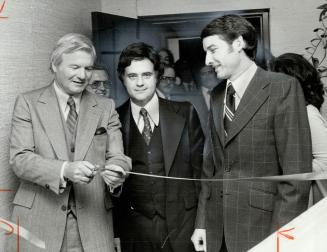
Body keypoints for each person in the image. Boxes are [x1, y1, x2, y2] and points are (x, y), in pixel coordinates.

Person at [191, 15, 312, 252]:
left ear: (238, 43)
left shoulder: (282, 87)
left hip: (264, 231)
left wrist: (280, 241)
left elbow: (296, 177)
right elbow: (211, 168)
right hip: (218, 232)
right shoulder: (216, 96)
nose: (208, 60)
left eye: (213, 49)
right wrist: (202, 224)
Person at [8, 33, 131, 252]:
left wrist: (117, 174)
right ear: (55, 65)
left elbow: (118, 157)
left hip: (94, 225)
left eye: (88, 68)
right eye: (75, 67)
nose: (83, 75)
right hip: (39, 223)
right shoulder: (28, 103)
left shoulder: (105, 106)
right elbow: (20, 160)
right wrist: (64, 170)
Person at [114, 42, 204, 252]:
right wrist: (116, 231)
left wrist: (203, 224)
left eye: (146, 75)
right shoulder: (113, 119)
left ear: (157, 76)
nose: (140, 83)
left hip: (184, 227)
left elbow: (203, 174)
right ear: (122, 79)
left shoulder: (185, 112)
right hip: (135, 233)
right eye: (132, 76)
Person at [269, 53, 327, 205]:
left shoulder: (309, 114)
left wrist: (287, 169)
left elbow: (325, 162)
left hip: (304, 197)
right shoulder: (289, 111)